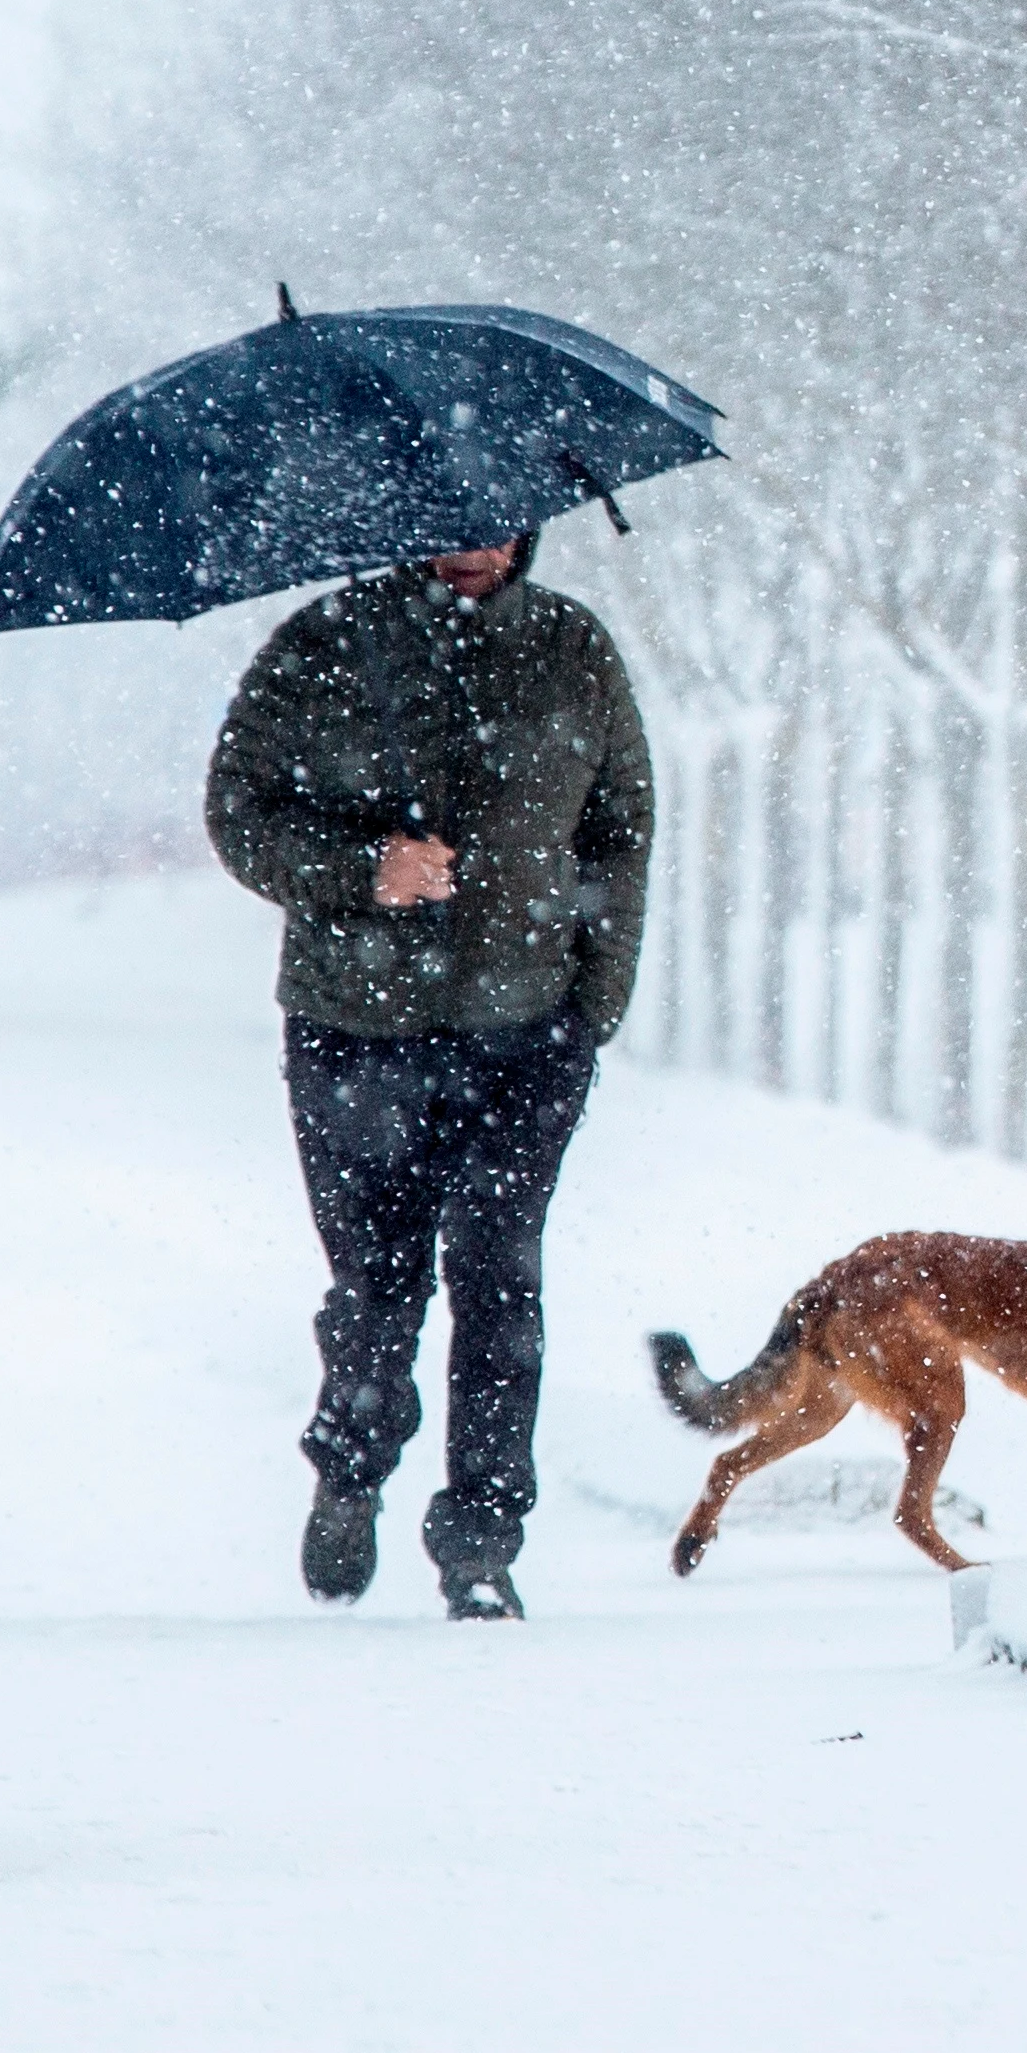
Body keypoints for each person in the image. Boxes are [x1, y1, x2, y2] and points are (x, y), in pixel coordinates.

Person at [205, 529, 652, 1619]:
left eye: (499, 520)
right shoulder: (325, 644)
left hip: (525, 1030)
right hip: (356, 1025)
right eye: (452, 523)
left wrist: (592, 1007)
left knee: (502, 1283)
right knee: (378, 1283)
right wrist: (366, 872)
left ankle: (483, 1543)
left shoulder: (571, 649)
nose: (475, 544)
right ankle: (352, 1466)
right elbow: (240, 813)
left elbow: (620, 834)